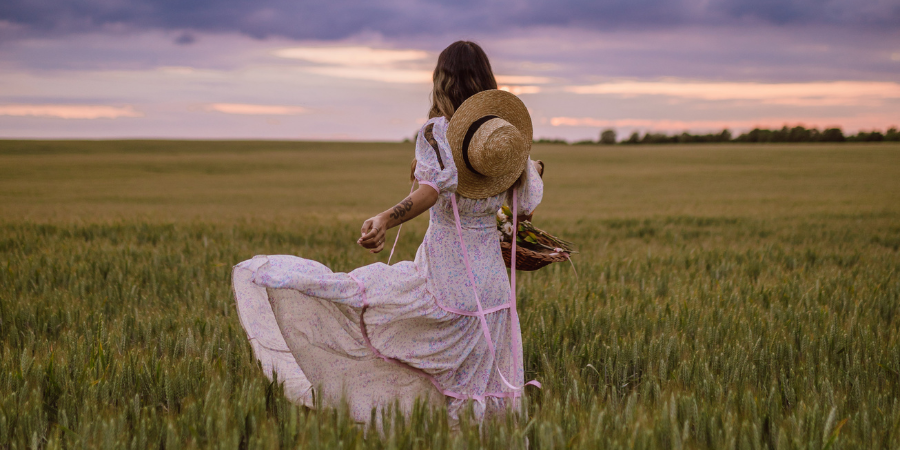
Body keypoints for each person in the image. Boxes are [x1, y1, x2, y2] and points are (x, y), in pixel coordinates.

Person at [232, 40, 544, 425]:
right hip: (493, 286)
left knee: (367, 306)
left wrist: (384, 218)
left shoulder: (439, 133)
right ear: (487, 79)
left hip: (446, 278)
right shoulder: (504, 140)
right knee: (480, 380)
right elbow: (523, 208)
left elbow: (430, 192)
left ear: (442, 80)